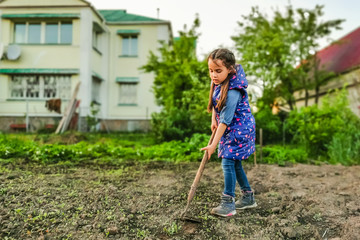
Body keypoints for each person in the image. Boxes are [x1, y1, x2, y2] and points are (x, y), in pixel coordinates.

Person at [201, 48, 256, 217]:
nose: (213, 75)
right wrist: (213, 120)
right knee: (235, 163)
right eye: (211, 70)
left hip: (239, 130)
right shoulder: (218, 81)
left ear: (230, 70)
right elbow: (216, 103)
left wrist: (212, 146)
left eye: (218, 71)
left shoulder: (233, 92)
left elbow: (225, 121)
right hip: (232, 127)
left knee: (227, 162)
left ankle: (228, 203)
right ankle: (248, 197)